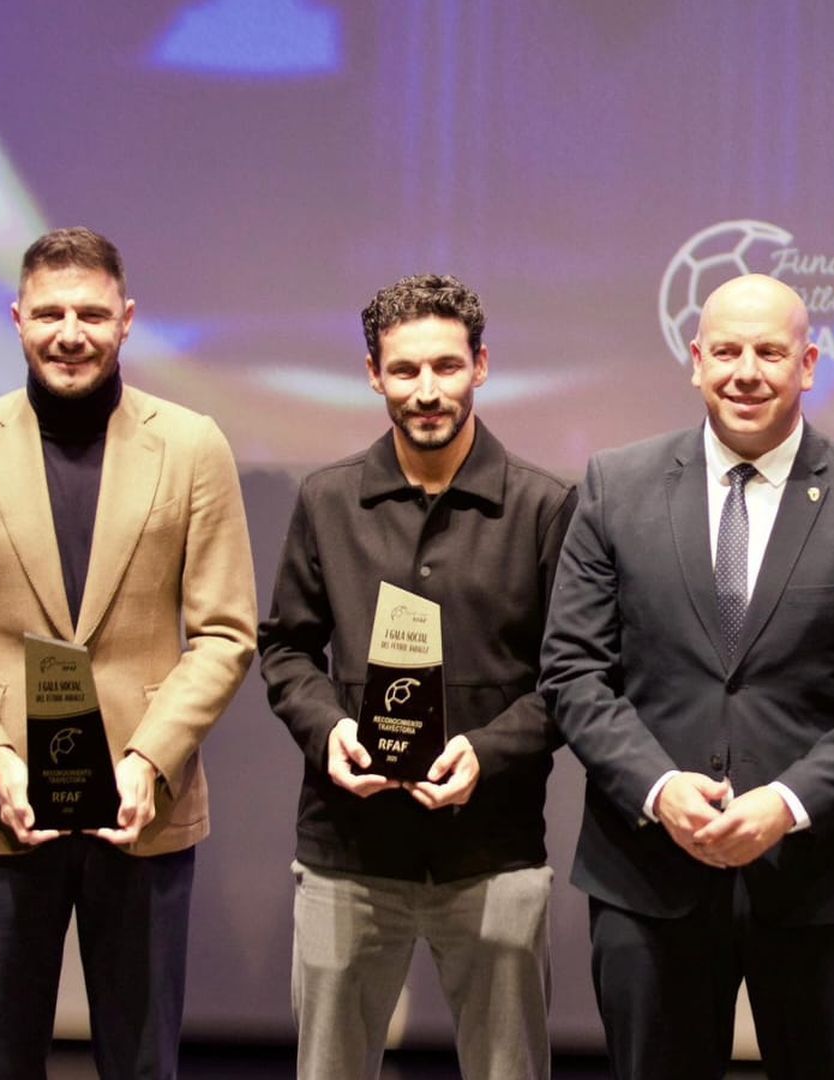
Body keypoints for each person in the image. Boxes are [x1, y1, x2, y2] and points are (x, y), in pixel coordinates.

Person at [540, 273, 834, 1079]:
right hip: (650, 879)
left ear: (809, 364)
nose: (745, 372)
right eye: (726, 352)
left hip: (825, 883)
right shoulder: (614, 487)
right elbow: (573, 669)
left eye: (769, 352)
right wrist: (659, 789)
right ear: (696, 359)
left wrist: (787, 803)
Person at [0, 227, 256, 1079]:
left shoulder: (193, 445)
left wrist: (148, 760)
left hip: (143, 810)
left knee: (144, 1065)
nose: (70, 333)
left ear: (127, 320)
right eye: (50, 313)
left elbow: (227, 632)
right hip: (2, 808)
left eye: (91, 314)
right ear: (17, 318)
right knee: (0, 1062)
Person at [258, 274, 575, 1079]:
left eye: (446, 366)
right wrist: (329, 729)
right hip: (347, 849)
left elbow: (572, 679)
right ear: (374, 374)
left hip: (494, 848)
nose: (426, 391)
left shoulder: (544, 507)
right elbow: (287, 649)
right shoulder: (327, 500)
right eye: (404, 370)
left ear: (481, 366)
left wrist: (488, 754)